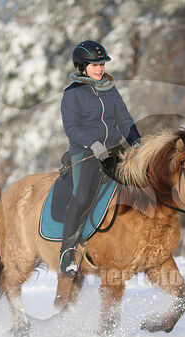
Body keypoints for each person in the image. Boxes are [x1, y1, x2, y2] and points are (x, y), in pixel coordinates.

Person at [59, 40, 142, 277]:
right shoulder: (72, 94)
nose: (100, 68)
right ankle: (67, 252)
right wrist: (94, 145)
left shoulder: (110, 90)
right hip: (85, 153)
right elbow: (72, 128)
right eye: (95, 65)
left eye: (102, 64)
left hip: (114, 151)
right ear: (82, 67)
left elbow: (124, 120)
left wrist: (137, 143)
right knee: (82, 195)